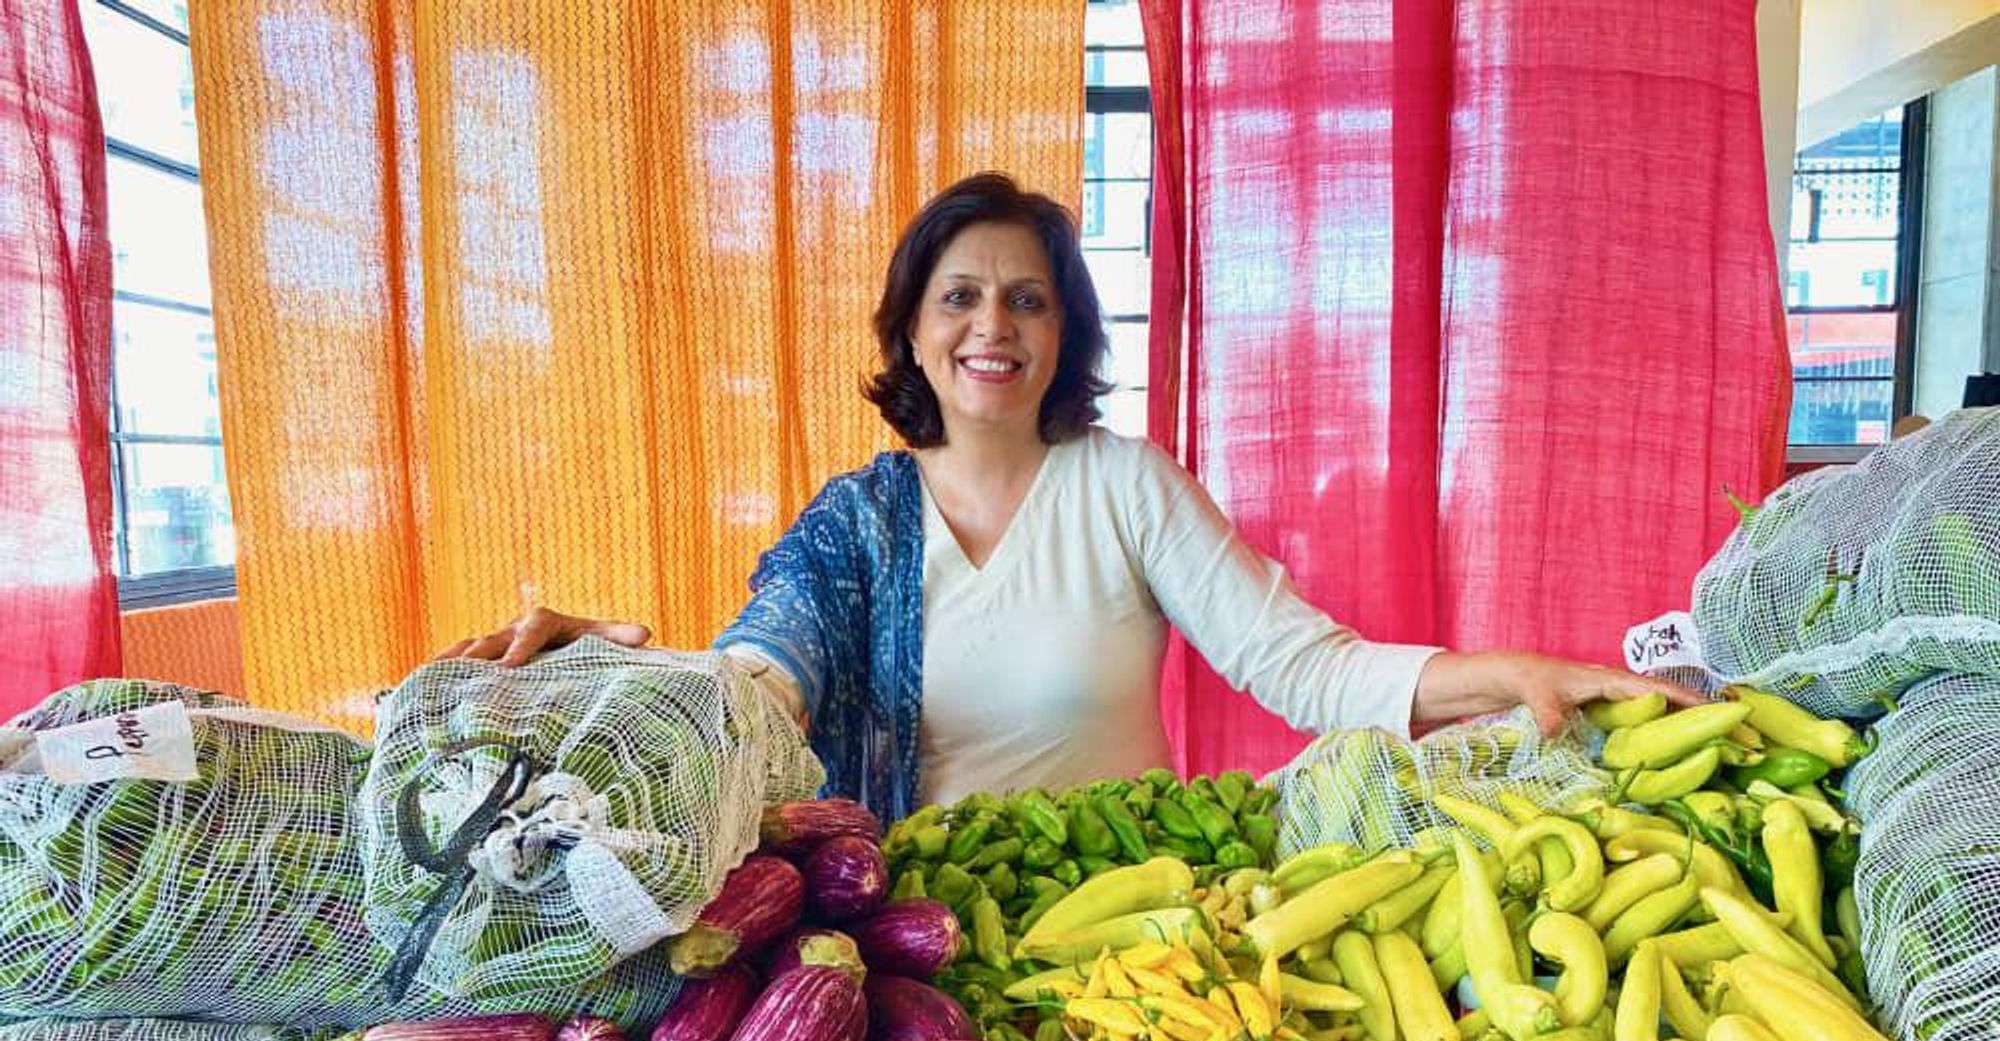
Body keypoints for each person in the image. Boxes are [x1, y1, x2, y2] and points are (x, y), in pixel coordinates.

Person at [442, 173, 1693, 820]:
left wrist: (1513, 674)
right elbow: (768, 675)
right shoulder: (856, 526)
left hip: (1139, 919)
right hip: (929, 942)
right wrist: (618, 692)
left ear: (1063, 331)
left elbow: (1305, 667)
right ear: (913, 334)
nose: (994, 324)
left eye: (1026, 298)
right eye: (960, 297)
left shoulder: (1122, 488)